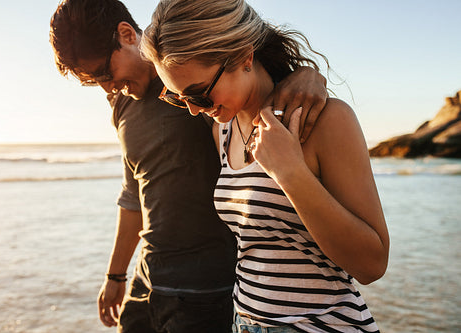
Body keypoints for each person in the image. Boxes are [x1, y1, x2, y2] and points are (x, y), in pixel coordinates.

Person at [49, 0, 328, 332]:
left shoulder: (202, 91)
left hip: (208, 293)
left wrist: (307, 74)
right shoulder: (121, 104)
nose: (107, 87)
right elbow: (134, 193)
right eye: (95, 82)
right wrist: (115, 274)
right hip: (148, 280)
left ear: (126, 34)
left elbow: (250, 74)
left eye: (105, 74)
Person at [140, 0, 390, 332]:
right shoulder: (223, 129)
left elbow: (372, 264)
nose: (193, 111)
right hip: (245, 322)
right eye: (177, 97)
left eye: (198, 94)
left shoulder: (326, 121)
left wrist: (291, 174)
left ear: (244, 56)